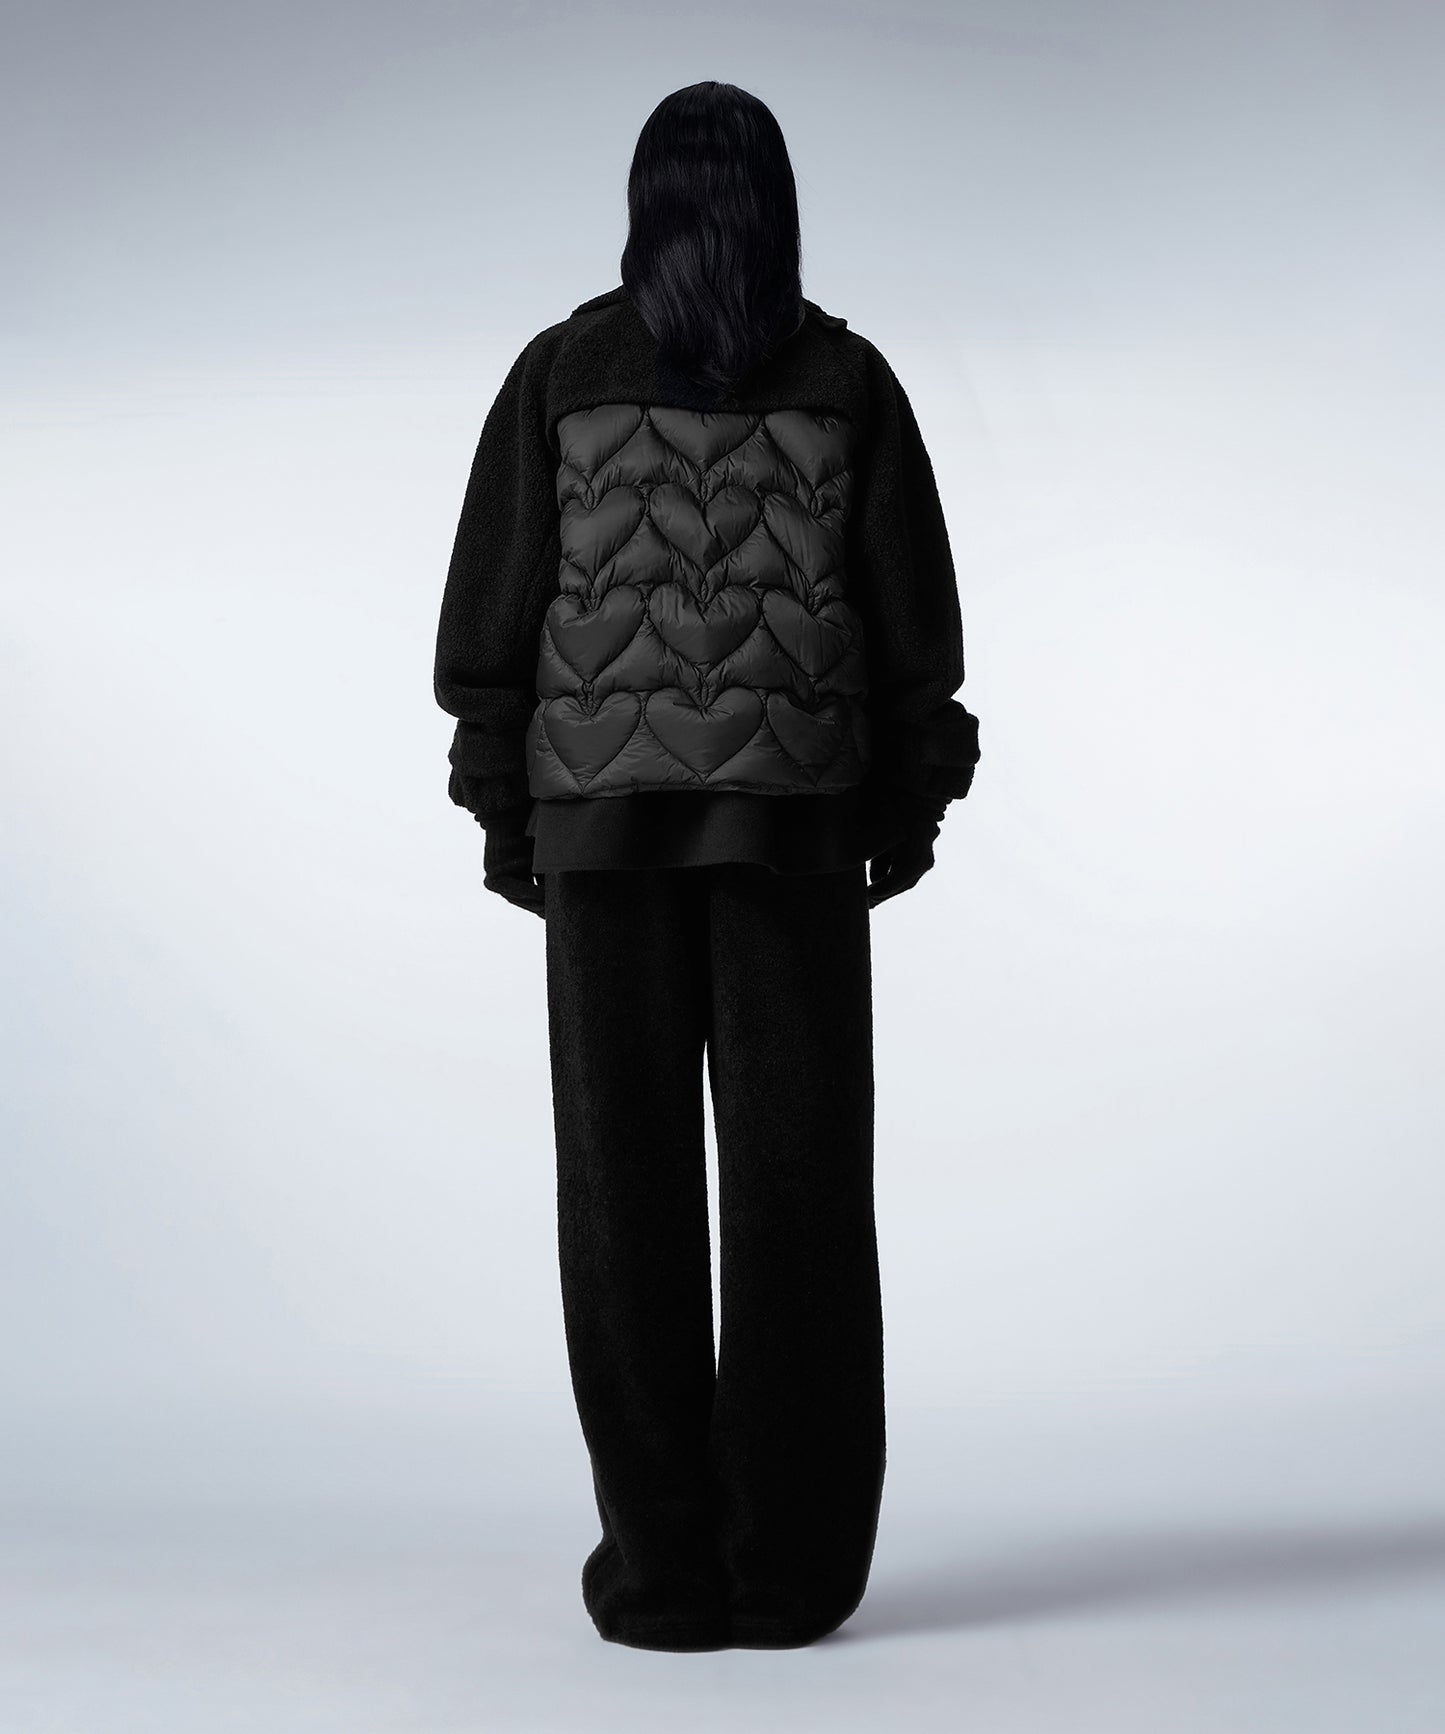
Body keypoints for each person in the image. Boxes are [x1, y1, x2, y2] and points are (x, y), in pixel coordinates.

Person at [432, 80, 981, 1653]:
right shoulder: (846, 378)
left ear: (645, 203)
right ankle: (789, 1570)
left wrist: (508, 810)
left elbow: (491, 612)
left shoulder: (561, 372)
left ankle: (664, 1570)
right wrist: (905, 806)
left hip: (600, 838)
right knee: (801, 1199)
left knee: (623, 1202)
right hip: (790, 833)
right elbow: (914, 626)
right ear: (774, 203)